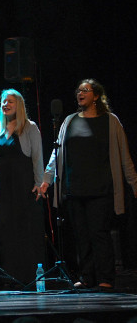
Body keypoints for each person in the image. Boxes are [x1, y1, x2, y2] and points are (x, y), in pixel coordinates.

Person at [39, 79, 137, 290]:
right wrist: (47, 179)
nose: (80, 93)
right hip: (74, 189)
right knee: (81, 236)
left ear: (96, 96)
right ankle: (87, 277)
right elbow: (56, 154)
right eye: (79, 90)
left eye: (85, 90)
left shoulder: (110, 121)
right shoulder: (69, 121)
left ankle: (105, 278)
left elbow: (124, 156)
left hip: (101, 189)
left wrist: (134, 183)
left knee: (99, 233)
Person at [0, 89, 45, 286]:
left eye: (10, 101)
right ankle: (3, 277)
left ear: (19, 105)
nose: (5, 105)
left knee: (22, 229)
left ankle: (25, 277)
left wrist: (39, 183)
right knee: (3, 228)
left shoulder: (29, 127)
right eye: (3, 102)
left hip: (24, 184)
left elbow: (37, 158)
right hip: (2, 187)